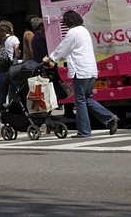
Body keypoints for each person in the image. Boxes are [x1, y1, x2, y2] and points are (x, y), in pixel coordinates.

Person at [46, 9, 119, 137]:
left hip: (80, 70)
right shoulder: (84, 31)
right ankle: (109, 118)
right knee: (87, 98)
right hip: (90, 69)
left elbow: (62, 48)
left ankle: (84, 131)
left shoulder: (72, 33)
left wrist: (50, 58)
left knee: (79, 100)